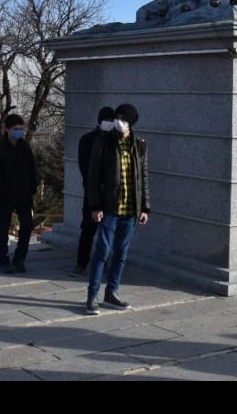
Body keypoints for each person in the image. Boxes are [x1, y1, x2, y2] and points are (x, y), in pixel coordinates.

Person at [85, 104, 150, 315]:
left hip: (131, 211)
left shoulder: (139, 145)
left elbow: (144, 178)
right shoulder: (104, 142)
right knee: (102, 252)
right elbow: (93, 176)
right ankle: (92, 296)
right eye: (117, 118)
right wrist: (94, 206)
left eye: (123, 118)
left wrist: (145, 207)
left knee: (121, 254)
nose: (118, 121)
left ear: (131, 121)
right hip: (109, 209)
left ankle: (111, 293)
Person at [0, 114, 39, 274]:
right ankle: (4, 258)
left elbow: (32, 170)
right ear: (7, 129)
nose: (19, 132)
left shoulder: (25, 147)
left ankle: (20, 257)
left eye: (21, 129)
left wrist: (32, 189)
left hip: (24, 195)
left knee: (27, 225)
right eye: (16, 129)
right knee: (2, 227)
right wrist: (1, 190)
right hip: (5, 196)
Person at [71, 107, 115, 277]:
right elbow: (85, 167)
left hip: (110, 193)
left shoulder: (114, 140)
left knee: (107, 230)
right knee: (88, 229)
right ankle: (81, 263)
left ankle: (102, 262)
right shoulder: (88, 139)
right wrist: (93, 187)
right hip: (92, 192)